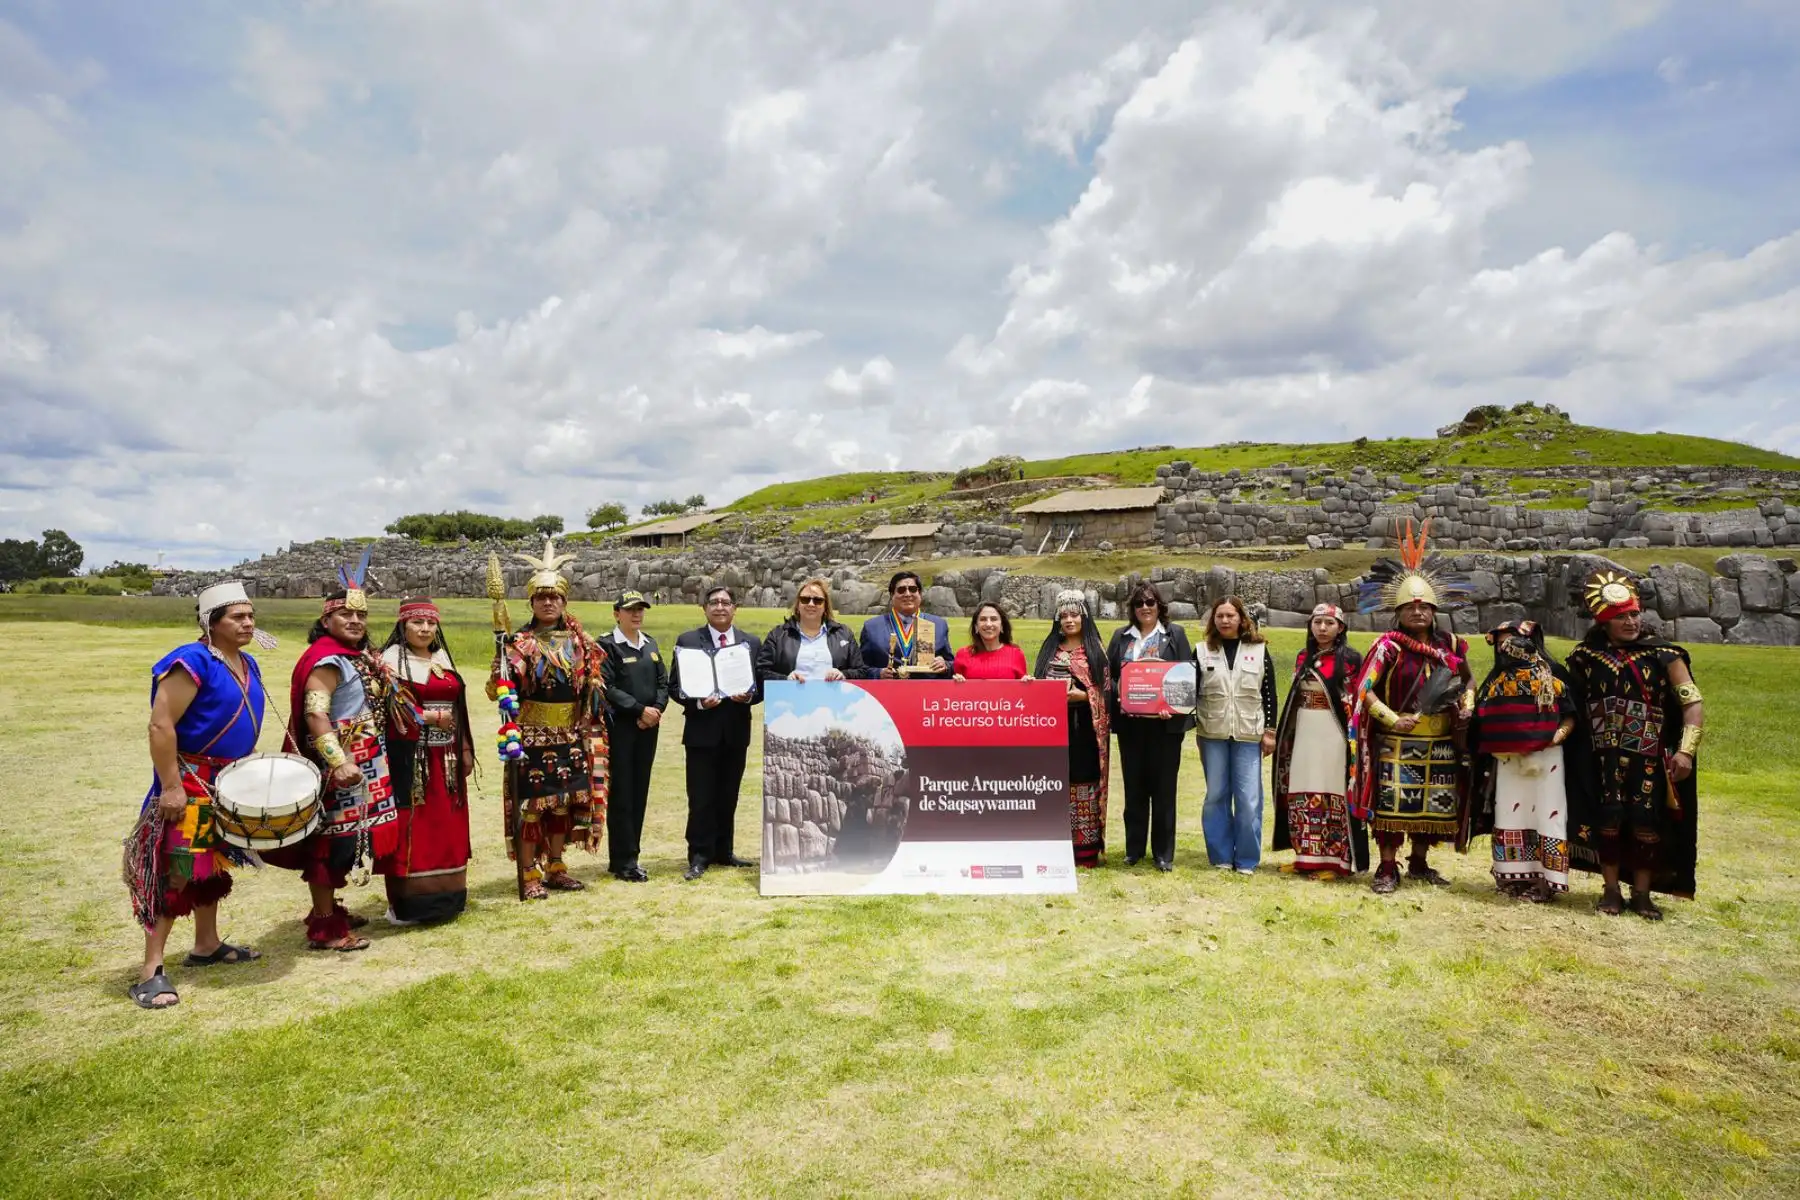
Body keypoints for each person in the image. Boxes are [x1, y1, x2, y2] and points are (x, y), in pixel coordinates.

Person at [124, 582, 269, 1009]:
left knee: (212, 868)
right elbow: (160, 725)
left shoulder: (248, 662)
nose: (247, 623)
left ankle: (207, 944)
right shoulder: (190, 662)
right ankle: (150, 971)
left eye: (250, 615)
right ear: (210, 622)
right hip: (189, 783)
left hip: (227, 782)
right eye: (236, 617)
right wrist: (170, 785)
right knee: (177, 872)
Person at [266, 557, 404, 950]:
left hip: (367, 757)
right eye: (345, 613)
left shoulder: (354, 656)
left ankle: (332, 908)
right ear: (326, 620)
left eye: (361, 614)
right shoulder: (326, 661)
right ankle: (325, 926)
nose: (355, 620)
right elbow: (316, 714)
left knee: (353, 835)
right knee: (332, 841)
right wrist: (338, 761)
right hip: (342, 759)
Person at [1564, 571, 1704, 920]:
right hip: (1600, 758)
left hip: (1649, 757)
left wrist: (1686, 750)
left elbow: (1691, 703)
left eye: (1633, 614)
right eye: (1619, 617)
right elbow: (1571, 705)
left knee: (1647, 822)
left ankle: (1642, 894)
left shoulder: (1667, 655)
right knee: (1607, 821)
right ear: (1604, 621)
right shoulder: (1585, 658)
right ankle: (1610, 890)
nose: (1629, 622)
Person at [1346, 521, 1476, 895]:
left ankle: (1419, 862)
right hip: (1397, 741)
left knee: (1434, 804)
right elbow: (1363, 689)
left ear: (1434, 610)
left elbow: (1468, 680)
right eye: (1410, 607)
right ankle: (1388, 867)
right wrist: (1391, 717)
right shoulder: (1388, 646)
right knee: (1392, 805)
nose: (1418, 612)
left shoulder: (1451, 643)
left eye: (1424, 607)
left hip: (1441, 739)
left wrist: (1466, 705)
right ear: (1398, 611)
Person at [490, 538, 610, 898]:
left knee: (563, 805)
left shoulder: (581, 644)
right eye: (541, 597)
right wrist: (502, 670)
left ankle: (556, 866)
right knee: (532, 808)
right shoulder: (521, 643)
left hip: (570, 736)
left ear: (563, 602)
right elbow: (498, 688)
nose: (547, 602)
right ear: (531, 602)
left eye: (554, 596)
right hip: (530, 737)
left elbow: (591, 687)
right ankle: (528, 873)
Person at [378, 599, 475, 923]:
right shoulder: (390, 662)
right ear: (403, 626)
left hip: (446, 759)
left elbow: (458, 708)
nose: (425, 629)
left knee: (448, 826)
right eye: (417, 623)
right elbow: (389, 712)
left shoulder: (442, 658)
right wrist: (430, 717)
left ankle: (449, 899)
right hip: (412, 759)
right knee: (414, 828)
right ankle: (410, 905)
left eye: (430, 623)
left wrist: (464, 748)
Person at [1468, 620, 1576, 904]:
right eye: (1501, 642)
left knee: (1547, 814)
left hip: (1547, 756)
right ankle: (1514, 876)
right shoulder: (1496, 679)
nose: (1506, 647)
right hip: (1507, 759)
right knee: (1510, 812)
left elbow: (1569, 715)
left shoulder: (1554, 674)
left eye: (1511, 640)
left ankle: (1546, 880)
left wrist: (1553, 738)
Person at [671, 586, 763, 881]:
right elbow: (676, 686)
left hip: (736, 731)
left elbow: (760, 686)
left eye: (726, 602)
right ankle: (699, 854)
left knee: (728, 794)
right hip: (702, 731)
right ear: (704, 608)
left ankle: (724, 850)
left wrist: (749, 697)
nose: (720, 607)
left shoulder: (751, 642)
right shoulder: (688, 641)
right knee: (701, 796)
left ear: (735, 608)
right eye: (714, 602)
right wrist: (698, 702)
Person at [1271, 603, 1367, 878]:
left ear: (1341, 628)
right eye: (1317, 623)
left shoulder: (1350, 658)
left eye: (1329, 623)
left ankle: (1336, 862)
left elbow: (1354, 700)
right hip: (1304, 729)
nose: (1322, 628)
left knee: (1331, 791)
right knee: (1302, 788)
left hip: (1333, 733)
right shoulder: (1304, 657)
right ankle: (1305, 857)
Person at [1104, 583, 1194, 870]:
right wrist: (1122, 691)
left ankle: (1163, 853)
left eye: (1151, 602)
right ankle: (1134, 849)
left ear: (1159, 606)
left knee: (1164, 790)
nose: (1145, 607)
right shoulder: (1121, 637)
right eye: (1139, 603)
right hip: (1132, 726)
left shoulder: (1174, 634)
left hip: (1165, 728)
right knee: (1134, 788)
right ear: (1132, 608)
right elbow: (1109, 676)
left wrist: (1173, 705)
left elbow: (1186, 675)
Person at [1194, 595, 1277, 874]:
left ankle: (1246, 859)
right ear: (1213, 620)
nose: (1225, 621)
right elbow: (1191, 692)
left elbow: (1270, 695)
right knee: (1216, 794)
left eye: (1230, 615)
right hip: (1212, 732)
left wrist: (1270, 732)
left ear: (1242, 619)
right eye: (1220, 616)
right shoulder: (1202, 651)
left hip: (1249, 734)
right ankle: (1220, 856)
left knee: (1248, 798)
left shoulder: (1259, 649)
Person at [1033, 589, 1111, 868]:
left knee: (1083, 781)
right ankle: (1054, 843)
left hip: (1085, 730)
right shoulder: (1049, 651)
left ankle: (1084, 850)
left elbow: (1107, 693)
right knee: (1055, 781)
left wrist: (1084, 696)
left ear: (1084, 617)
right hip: (1053, 727)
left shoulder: (1095, 651)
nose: (1069, 620)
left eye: (1074, 614)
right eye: (1063, 615)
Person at [602, 590, 669, 881]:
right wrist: (639, 710)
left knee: (639, 791)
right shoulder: (606, 645)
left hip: (648, 728)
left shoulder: (650, 644)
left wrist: (656, 709)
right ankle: (622, 859)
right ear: (617, 614)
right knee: (623, 794)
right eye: (630, 610)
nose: (636, 614)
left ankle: (632, 855)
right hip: (623, 729)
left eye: (640, 609)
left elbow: (662, 682)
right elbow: (606, 686)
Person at [758, 579, 866, 682]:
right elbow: (761, 671)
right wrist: (785, 679)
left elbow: (861, 671)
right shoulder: (778, 635)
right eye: (805, 599)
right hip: (790, 699)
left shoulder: (844, 634)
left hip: (833, 699)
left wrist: (844, 675)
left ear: (825, 607)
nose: (811, 604)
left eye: (817, 600)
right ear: (798, 605)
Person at [860, 571, 953, 679]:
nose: (907, 594)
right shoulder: (872, 627)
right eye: (901, 590)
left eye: (913, 589)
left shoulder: (939, 625)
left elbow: (953, 664)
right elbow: (860, 669)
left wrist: (945, 665)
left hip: (926, 692)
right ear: (891, 595)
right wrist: (878, 673)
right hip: (887, 692)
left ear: (920, 594)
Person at [952, 602, 1030, 680]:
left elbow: (1022, 689)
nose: (988, 624)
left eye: (993, 619)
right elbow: (956, 690)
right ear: (976, 627)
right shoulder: (963, 654)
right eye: (983, 619)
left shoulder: (1016, 654)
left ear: (1002, 626)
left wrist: (1026, 682)